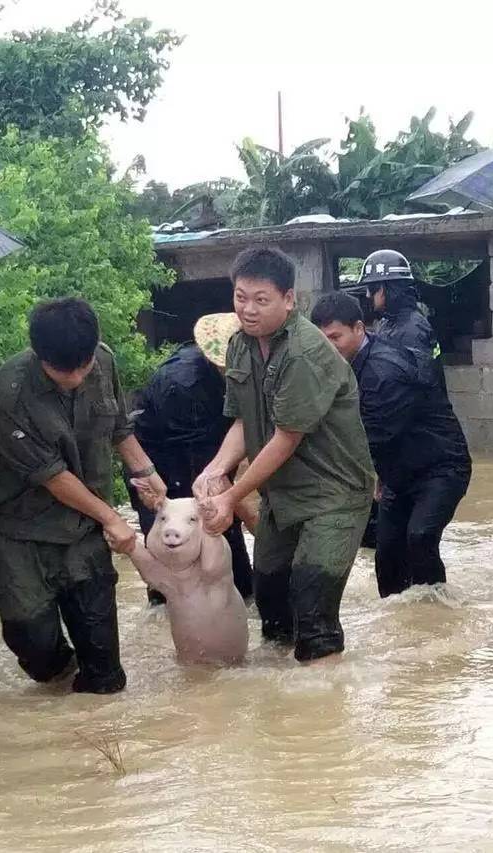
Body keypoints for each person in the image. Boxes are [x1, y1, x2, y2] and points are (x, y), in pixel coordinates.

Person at [193, 247, 375, 663]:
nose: (248, 310)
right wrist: (216, 468)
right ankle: (279, 711)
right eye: (241, 297)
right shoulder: (239, 345)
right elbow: (242, 421)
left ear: (289, 300)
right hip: (283, 496)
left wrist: (231, 497)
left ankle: (322, 712)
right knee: (272, 606)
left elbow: (285, 437)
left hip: (334, 497)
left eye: (261, 300)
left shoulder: (305, 353)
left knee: (313, 610)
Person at [0, 298, 166, 694]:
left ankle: (98, 737)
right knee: (35, 643)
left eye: (82, 366)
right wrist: (111, 517)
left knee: (105, 673)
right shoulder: (9, 393)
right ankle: (57, 681)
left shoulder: (103, 361)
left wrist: (145, 471)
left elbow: (118, 426)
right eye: (61, 370)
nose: (75, 377)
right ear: (40, 356)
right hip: (22, 531)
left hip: (85, 528)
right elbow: (52, 475)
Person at [311, 291, 471, 597]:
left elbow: (371, 438)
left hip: (441, 468)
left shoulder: (384, 372)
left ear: (359, 328)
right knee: (386, 554)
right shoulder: (348, 361)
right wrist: (382, 476)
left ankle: (438, 614)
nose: (328, 347)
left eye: (335, 337)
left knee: (421, 537)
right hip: (399, 474)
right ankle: (400, 624)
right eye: (322, 340)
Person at [128, 313, 254, 604]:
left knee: (233, 574)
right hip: (161, 471)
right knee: (174, 564)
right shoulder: (183, 385)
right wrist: (246, 512)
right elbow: (206, 477)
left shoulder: (233, 377)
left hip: (205, 457)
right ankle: (163, 623)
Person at [359, 249, 446, 389]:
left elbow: (416, 387)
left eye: (371, 288)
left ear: (385, 288)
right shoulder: (389, 322)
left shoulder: (412, 328)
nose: (368, 295)